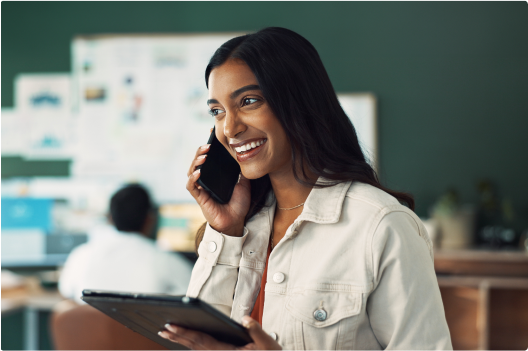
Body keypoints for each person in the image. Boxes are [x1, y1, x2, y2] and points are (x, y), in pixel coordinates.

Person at [159, 27, 452, 351]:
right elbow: (195, 340)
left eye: (249, 101)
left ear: (298, 102)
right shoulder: (241, 225)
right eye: (217, 111)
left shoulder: (380, 226)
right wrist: (225, 231)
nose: (230, 128)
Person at [59, 184, 193, 304]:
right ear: (150, 219)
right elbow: (199, 295)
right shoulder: (165, 260)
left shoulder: (80, 255)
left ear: (110, 218)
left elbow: (66, 296)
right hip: (140, 332)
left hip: (90, 331)